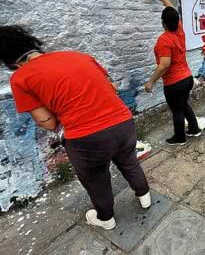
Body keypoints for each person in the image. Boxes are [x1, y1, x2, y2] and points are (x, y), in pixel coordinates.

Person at [0, 26, 151, 231]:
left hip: (86, 138)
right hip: (123, 122)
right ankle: (144, 196)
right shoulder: (79, 56)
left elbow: (49, 123)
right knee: (129, 161)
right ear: (31, 43)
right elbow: (112, 88)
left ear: (10, 61)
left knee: (96, 178)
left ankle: (105, 218)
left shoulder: (20, 77)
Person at [145, 0, 201, 145]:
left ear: (163, 22)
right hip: (187, 78)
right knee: (183, 105)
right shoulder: (180, 30)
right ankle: (194, 129)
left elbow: (164, 65)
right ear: (176, 21)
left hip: (174, 83)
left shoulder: (164, 40)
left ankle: (180, 137)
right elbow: (172, 10)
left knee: (177, 110)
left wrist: (151, 82)